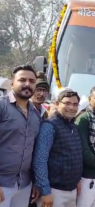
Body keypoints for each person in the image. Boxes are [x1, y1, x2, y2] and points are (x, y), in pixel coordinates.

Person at [33, 90, 83, 207]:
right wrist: (45, 191)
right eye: (67, 103)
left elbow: (75, 156)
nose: (71, 107)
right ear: (57, 103)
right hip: (53, 191)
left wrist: (77, 181)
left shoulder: (73, 126)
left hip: (71, 190)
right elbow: (40, 160)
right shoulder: (49, 126)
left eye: (75, 104)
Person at [0, 65, 40, 207]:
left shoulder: (35, 114)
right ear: (12, 83)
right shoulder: (2, 106)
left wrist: (36, 182)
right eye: (22, 80)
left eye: (32, 81)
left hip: (24, 184)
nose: (27, 84)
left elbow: (35, 151)